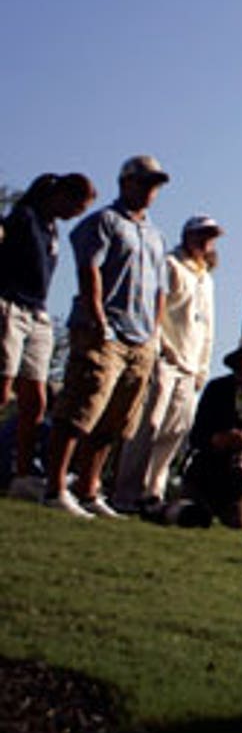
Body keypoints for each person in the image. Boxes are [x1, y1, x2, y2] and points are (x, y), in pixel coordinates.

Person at [43, 157, 170, 519]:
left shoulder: (157, 236)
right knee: (80, 409)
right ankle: (55, 487)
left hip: (141, 336)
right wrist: (97, 316)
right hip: (106, 330)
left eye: (155, 185)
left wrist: (154, 331)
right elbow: (90, 268)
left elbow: (160, 289)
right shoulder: (103, 222)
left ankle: (88, 488)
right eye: (143, 182)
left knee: (116, 420)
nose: (150, 191)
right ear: (125, 182)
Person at [111, 214, 222, 513]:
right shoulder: (171, 265)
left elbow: (207, 327)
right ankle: (126, 492)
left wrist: (202, 366)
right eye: (201, 235)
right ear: (187, 236)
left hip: (190, 364)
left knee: (175, 430)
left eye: (210, 237)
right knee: (148, 425)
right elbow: (156, 311)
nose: (206, 242)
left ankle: (153, 491)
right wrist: (163, 349)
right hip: (166, 358)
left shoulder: (206, 278)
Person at [3, 174, 97, 499]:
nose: (75, 215)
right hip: (10, 304)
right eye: (75, 206)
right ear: (61, 195)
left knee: (36, 399)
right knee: (3, 389)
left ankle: (23, 474)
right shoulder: (23, 217)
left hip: (38, 311)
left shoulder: (53, 228)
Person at [180, 331, 242, 530]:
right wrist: (217, 439)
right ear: (240, 360)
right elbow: (196, 436)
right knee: (190, 514)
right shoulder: (216, 388)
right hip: (209, 469)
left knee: (241, 521)